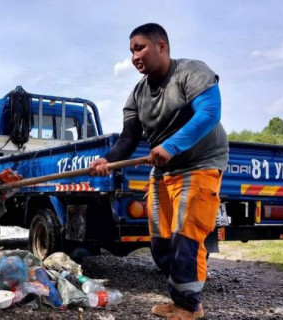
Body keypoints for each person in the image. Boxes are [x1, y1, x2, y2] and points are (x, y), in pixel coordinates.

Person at [90, 23, 228, 319]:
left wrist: (172, 145)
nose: (134, 56)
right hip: (165, 171)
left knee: (186, 238)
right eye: (131, 51)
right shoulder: (138, 94)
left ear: (162, 46)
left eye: (140, 48)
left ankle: (189, 307)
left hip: (200, 165)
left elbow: (209, 113)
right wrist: (106, 160)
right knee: (161, 243)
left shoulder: (191, 72)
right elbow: (128, 138)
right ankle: (180, 298)